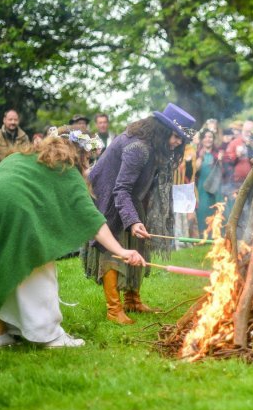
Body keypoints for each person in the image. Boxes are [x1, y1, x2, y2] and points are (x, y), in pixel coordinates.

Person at [0, 127, 145, 348]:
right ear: (78, 153)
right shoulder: (65, 169)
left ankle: (0, 334)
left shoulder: (26, 156)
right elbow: (92, 219)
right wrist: (122, 251)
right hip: (5, 208)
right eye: (88, 159)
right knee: (37, 264)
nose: (88, 165)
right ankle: (49, 335)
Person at [82, 103, 196, 325]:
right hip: (108, 198)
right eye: (175, 136)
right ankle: (114, 310)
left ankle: (132, 300)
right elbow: (120, 188)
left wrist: (137, 219)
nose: (178, 142)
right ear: (161, 129)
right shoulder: (139, 148)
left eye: (182, 139)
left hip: (129, 197)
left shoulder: (155, 146)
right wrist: (132, 220)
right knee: (113, 249)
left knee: (137, 245)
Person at [194, 128, 222, 234]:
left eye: (210, 137)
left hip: (216, 187)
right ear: (201, 140)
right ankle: (203, 235)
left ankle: (215, 234)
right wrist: (200, 157)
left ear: (213, 139)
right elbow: (195, 170)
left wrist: (220, 160)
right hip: (201, 187)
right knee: (202, 210)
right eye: (205, 137)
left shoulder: (217, 153)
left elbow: (223, 172)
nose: (208, 139)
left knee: (215, 209)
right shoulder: (197, 153)